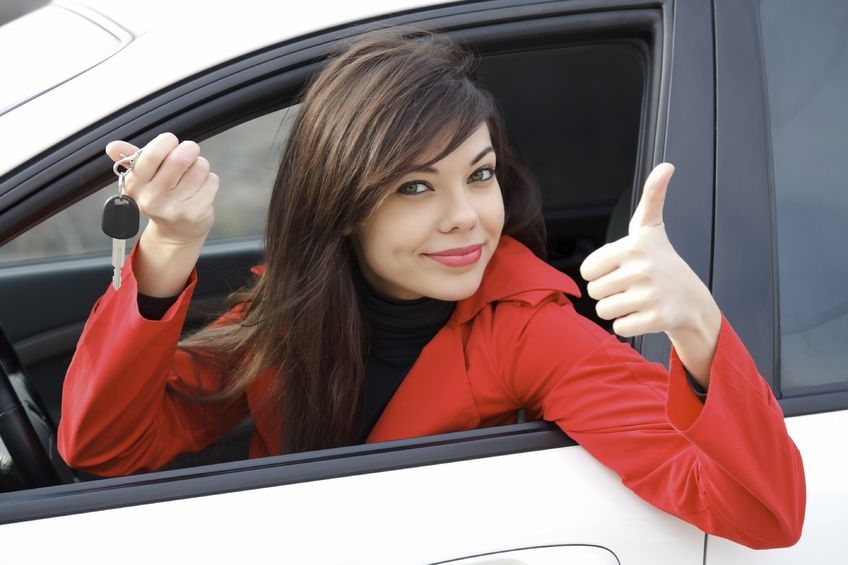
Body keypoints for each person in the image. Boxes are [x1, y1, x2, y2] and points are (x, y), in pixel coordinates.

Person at [58, 29, 804, 548]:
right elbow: (105, 447)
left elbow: (760, 512)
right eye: (415, 186)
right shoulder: (290, 313)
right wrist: (168, 248)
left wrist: (699, 327)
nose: (466, 218)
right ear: (342, 207)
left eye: (479, 175)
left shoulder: (529, 329)